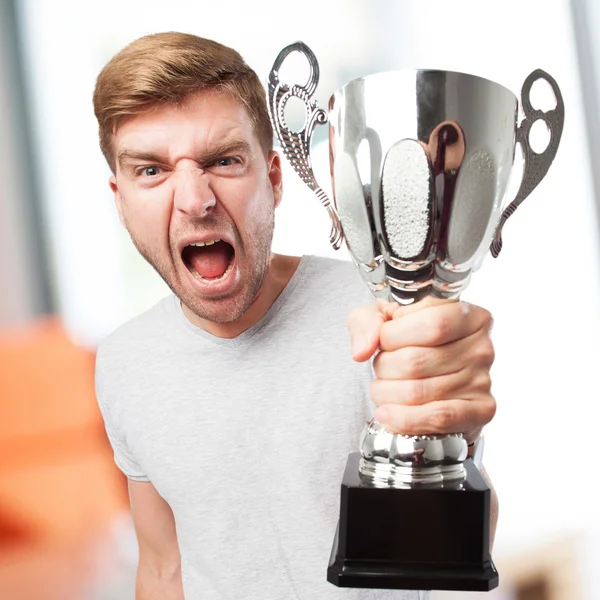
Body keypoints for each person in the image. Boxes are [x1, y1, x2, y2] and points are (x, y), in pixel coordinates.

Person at [93, 32, 497, 600]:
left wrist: (456, 429)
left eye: (224, 160)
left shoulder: (381, 313)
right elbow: (162, 569)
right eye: (151, 171)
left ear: (275, 179)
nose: (194, 200)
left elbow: (448, 560)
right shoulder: (122, 364)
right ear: (119, 197)